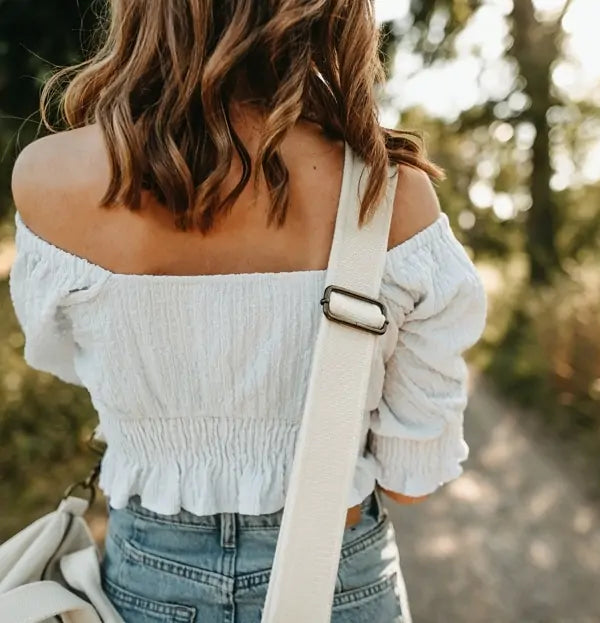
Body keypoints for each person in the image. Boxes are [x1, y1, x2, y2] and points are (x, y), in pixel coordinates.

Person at [8, 1, 487, 621]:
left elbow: (62, 358)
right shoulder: (392, 196)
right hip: (338, 576)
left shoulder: (49, 179)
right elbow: (409, 478)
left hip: (150, 573)